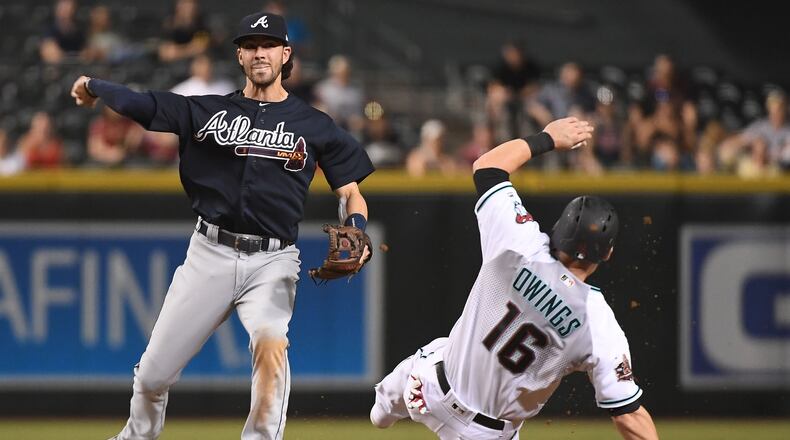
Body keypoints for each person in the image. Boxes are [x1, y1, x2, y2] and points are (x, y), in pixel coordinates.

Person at [70, 11, 374, 440]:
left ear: (286, 54)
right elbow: (145, 104)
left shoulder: (315, 125)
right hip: (209, 254)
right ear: (239, 56)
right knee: (152, 376)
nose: (259, 53)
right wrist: (93, 85)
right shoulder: (207, 111)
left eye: (268, 45)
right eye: (250, 46)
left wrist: (357, 226)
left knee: (271, 339)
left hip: (274, 259)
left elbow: (349, 192)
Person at [370, 117, 659, 440]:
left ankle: (383, 409)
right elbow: (627, 415)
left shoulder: (520, 243)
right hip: (485, 432)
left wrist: (548, 138)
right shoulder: (597, 320)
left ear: (560, 229)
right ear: (607, 253)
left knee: (379, 414)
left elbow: (487, 168)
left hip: (428, 381)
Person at [40, 0, 85, 64]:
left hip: (77, 67)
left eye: (68, 7)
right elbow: (50, 53)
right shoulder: (49, 28)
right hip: (56, 68)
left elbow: (86, 54)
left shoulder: (78, 30)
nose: (65, 10)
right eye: (63, 6)